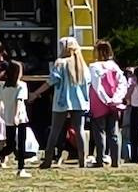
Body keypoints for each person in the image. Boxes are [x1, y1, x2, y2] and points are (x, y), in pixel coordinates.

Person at [31, 39, 93, 169]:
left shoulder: (60, 63)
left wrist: (35, 93)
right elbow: (87, 84)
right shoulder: (81, 64)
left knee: (55, 130)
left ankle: (47, 160)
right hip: (79, 102)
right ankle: (83, 160)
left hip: (61, 101)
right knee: (79, 130)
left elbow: (51, 81)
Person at [88, 40, 126, 168]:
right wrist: (116, 98)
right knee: (114, 132)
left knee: (99, 132)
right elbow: (122, 84)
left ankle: (101, 159)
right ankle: (116, 160)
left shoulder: (94, 67)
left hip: (99, 103)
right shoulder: (114, 66)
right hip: (114, 103)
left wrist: (106, 100)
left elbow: (97, 86)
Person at [0, 61, 32, 177]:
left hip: (7, 118)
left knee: (10, 145)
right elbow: (19, 102)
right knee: (21, 144)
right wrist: (17, 116)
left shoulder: (2, 88)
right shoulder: (21, 86)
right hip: (20, 118)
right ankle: (21, 169)